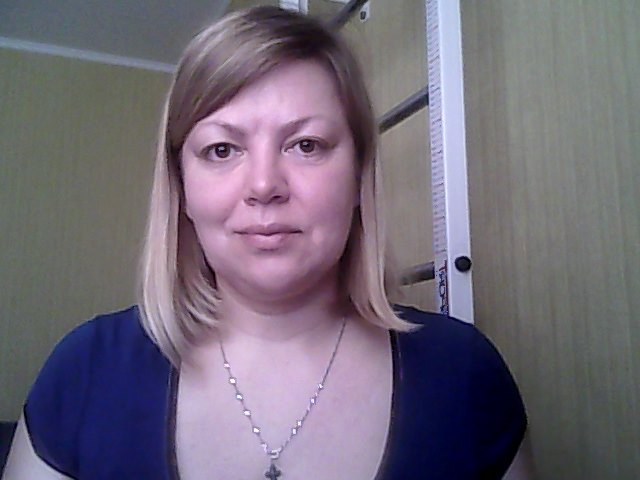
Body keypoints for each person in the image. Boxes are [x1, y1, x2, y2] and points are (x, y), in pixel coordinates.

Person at [3, 6, 529, 480]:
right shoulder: (84, 373)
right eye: (222, 149)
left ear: (358, 178)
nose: (263, 185)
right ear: (181, 188)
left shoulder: (465, 377)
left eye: (306, 145)